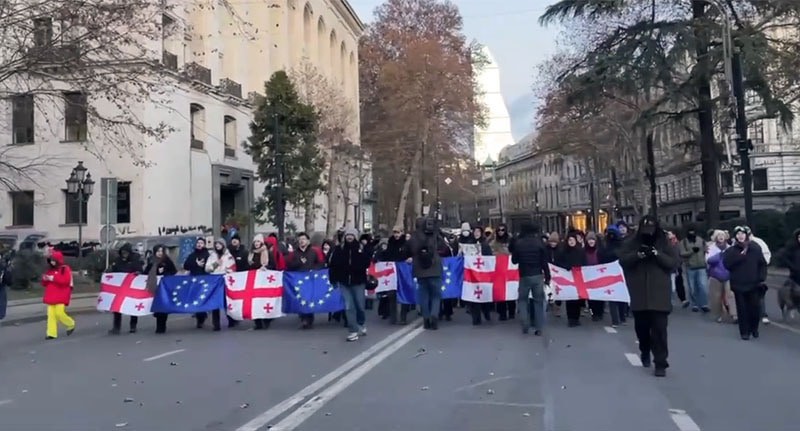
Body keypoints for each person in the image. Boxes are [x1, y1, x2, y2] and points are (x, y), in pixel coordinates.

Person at [618, 216, 678, 377]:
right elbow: (623, 260)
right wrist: (638, 255)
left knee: (660, 331)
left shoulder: (665, 243)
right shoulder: (632, 242)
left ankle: (660, 362)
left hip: (659, 295)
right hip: (639, 295)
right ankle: (645, 349)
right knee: (642, 328)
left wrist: (657, 254)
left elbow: (673, 263)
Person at [722, 226, 767, 340]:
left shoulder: (755, 248)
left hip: (754, 283)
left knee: (754, 308)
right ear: (735, 236)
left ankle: (754, 328)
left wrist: (761, 277)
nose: (740, 236)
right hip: (738, 284)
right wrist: (740, 257)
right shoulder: (731, 251)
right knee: (742, 309)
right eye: (738, 234)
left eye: (742, 234)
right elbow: (727, 264)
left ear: (746, 235)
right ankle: (744, 332)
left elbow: (762, 264)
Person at [329, 228, 370, 341]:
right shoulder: (339, 249)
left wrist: (361, 255)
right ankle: (353, 330)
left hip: (358, 281)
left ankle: (361, 323)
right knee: (348, 306)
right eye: (348, 235)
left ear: (355, 237)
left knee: (360, 305)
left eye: (352, 235)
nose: (350, 237)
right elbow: (333, 265)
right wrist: (333, 279)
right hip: (344, 282)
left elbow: (367, 262)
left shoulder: (361, 248)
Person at [510, 222, 550, 335]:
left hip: (524, 275)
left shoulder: (519, 243)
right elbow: (544, 261)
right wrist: (547, 276)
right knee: (538, 301)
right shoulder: (539, 243)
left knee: (522, 300)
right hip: (537, 275)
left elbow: (514, 261)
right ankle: (539, 328)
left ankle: (525, 324)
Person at [408, 217, 445, 330]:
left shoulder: (414, 236)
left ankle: (426, 318)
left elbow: (408, 249)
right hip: (434, 269)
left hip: (420, 270)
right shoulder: (435, 234)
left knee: (423, 296)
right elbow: (443, 247)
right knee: (436, 296)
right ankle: (434, 315)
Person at [286, 232, 324, 329]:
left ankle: (309, 318)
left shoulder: (314, 251)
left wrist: (314, 270)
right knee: (301, 298)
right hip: (298, 279)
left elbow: (321, 263)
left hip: (311, 279)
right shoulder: (294, 253)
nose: (301, 241)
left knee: (309, 299)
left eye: (303, 239)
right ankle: (303, 318)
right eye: (300, 239)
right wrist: (299, 262)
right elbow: (289, 265)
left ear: (308, 241)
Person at [377, 226, 412, 324]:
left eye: (398, 232)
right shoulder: (391, 242)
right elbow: (386, 255)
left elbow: (412, 253)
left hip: (403, 271)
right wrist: (379, 257)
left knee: (404, 292)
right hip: (392, 272)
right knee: (391, 294)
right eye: (395, 232)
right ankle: (393, 317)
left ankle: (403, 317)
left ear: (402, 232)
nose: (396, 234)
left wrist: (410, 258)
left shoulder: (406, 243)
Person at [109, 243, 144, 334]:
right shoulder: (118, 261)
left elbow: (140, 271)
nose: (124, 254)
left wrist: (138, 273)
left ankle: (133, 326)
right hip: (120, 288)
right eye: (123, 253)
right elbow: (113, 271)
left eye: (126, 253)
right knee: (117, 307)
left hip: (132, 287)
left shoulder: (135, 260)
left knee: (132, 307)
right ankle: (116, 327)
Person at [41, 250, 76, 340]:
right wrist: (45, 279)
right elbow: (44, 284)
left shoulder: (65, 269)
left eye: (53, 260)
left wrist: (52, 278)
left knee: (59, 313)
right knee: (51, 315)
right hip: (51, 295)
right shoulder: (50, 270)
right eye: (51, 260)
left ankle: (70, 323)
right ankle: (51, 333)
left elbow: (65, 281)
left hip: (61, 295)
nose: (52, 262)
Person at [144, 245, 178, 333]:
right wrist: (156, 272)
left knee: (163, 306)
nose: (160, 253)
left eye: (161, 251)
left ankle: (162, 326)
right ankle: (159, 325)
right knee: (157, 307)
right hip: (155, 287)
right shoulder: (152, 261)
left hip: (164, 288)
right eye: (158, 251)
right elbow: (146, 272)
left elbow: (173, 271)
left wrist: (164, 272)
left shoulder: (167, 261)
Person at [555, 232, 587, 327]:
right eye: (569, 240)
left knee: (577, 299)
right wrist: (565, 266)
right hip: (567, 277)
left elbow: (584, 262)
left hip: (578, 277)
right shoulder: (563, 251)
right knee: (570, 299)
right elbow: (558, 262)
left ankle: (576, 318)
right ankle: (570, 319)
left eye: (573, 240)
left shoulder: (580, 251)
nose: (571, 242)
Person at [205, 238, 237, 328]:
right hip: (215, 281)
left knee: (226, 301)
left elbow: (233, 268)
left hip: (224, 281)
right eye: (216, 244)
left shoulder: (228, 256)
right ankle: (216, 324)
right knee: (215, 302)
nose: (217, 246)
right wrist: (215, 264)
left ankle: (231, 320)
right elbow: (207, 268)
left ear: (223, 245)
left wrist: (227, 271)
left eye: (219, 244)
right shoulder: (212, 256)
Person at [679, 225, 709, 313]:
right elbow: (682, 253)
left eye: (693, 231)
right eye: (690, 231)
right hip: (690, 267)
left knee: (703, 286)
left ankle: (704, 304)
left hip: (701, 266)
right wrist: (691, 251)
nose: (692, 233)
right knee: (692, 287)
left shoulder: (701, 240)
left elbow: (706, 250)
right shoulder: (684, 242)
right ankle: (695, 304)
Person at [706, 230, 734, 323]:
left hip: (728, 275)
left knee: (731, 295)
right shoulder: (710, 248)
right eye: (718, 235)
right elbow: (708, 260)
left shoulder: (730, 248)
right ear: (715, 237)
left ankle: (734, 315)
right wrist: (719, 255)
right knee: (716, 297)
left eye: (722, 235)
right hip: (715, 275)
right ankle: (719, 315)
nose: (721, 237)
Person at [491, 223, 516, 321]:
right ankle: (502, 313)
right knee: (500, 291)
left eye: (502, 230)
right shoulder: (493, 242)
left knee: (511, 290)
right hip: (498, 269)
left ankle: (511, 311)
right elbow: (490, 252)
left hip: (509, 268)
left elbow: (515, 252)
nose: (501, 232)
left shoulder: (511, 241)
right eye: (499, 230)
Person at [249, 234, 272, 330]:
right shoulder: (251, 253)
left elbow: (272, 264)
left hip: (263, 279)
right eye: (255, 241)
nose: (256, 243)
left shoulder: (265, 252)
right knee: (254, 301)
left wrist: (265, 267)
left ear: (261, 242)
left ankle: (266, 320)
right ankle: (257, 323)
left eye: (258, 241)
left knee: (263, 300)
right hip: (253, 279)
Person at [584, 232, 605, 321]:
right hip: (588, 277)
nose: (591, 241)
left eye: (592, 239)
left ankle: (600, 312)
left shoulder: (600, 251)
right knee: (590, 298)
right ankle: (593, 313)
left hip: (599, 276)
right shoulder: (584, 251)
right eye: (589, 240)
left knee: (599, 296)